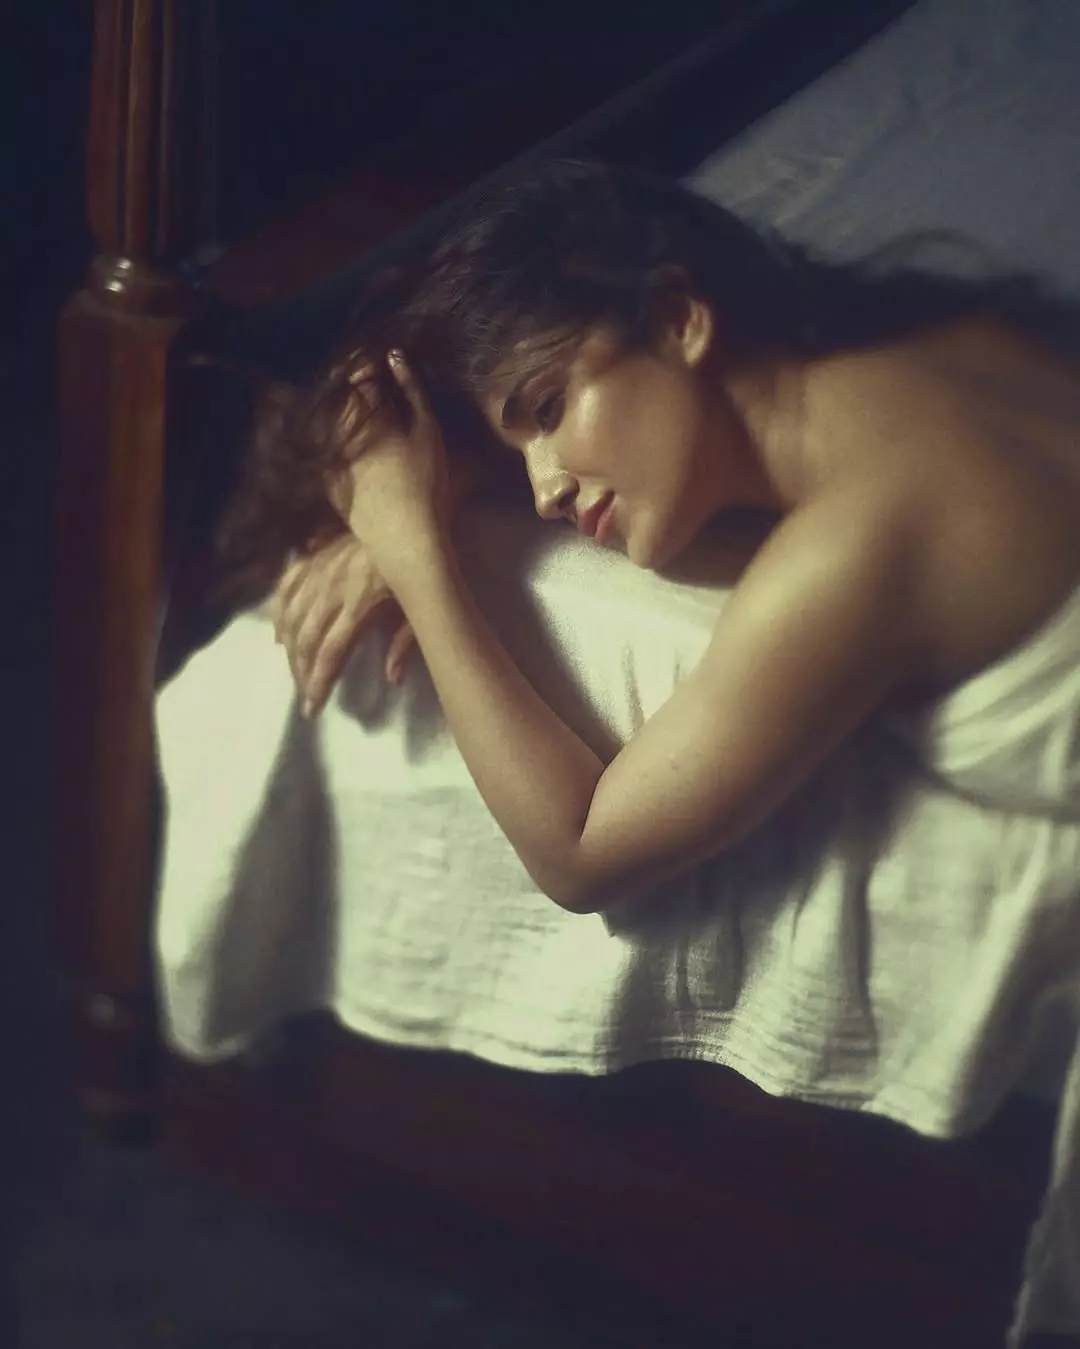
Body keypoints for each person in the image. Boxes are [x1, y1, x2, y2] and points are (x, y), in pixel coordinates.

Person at [222, 158, 1080, 914]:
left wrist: (411, 548)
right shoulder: (949, 345)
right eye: (519, 450)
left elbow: (578, 856)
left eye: (548, 408)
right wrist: (460, 481)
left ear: (677, 319)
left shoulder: (848, 553)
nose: (546, 491)